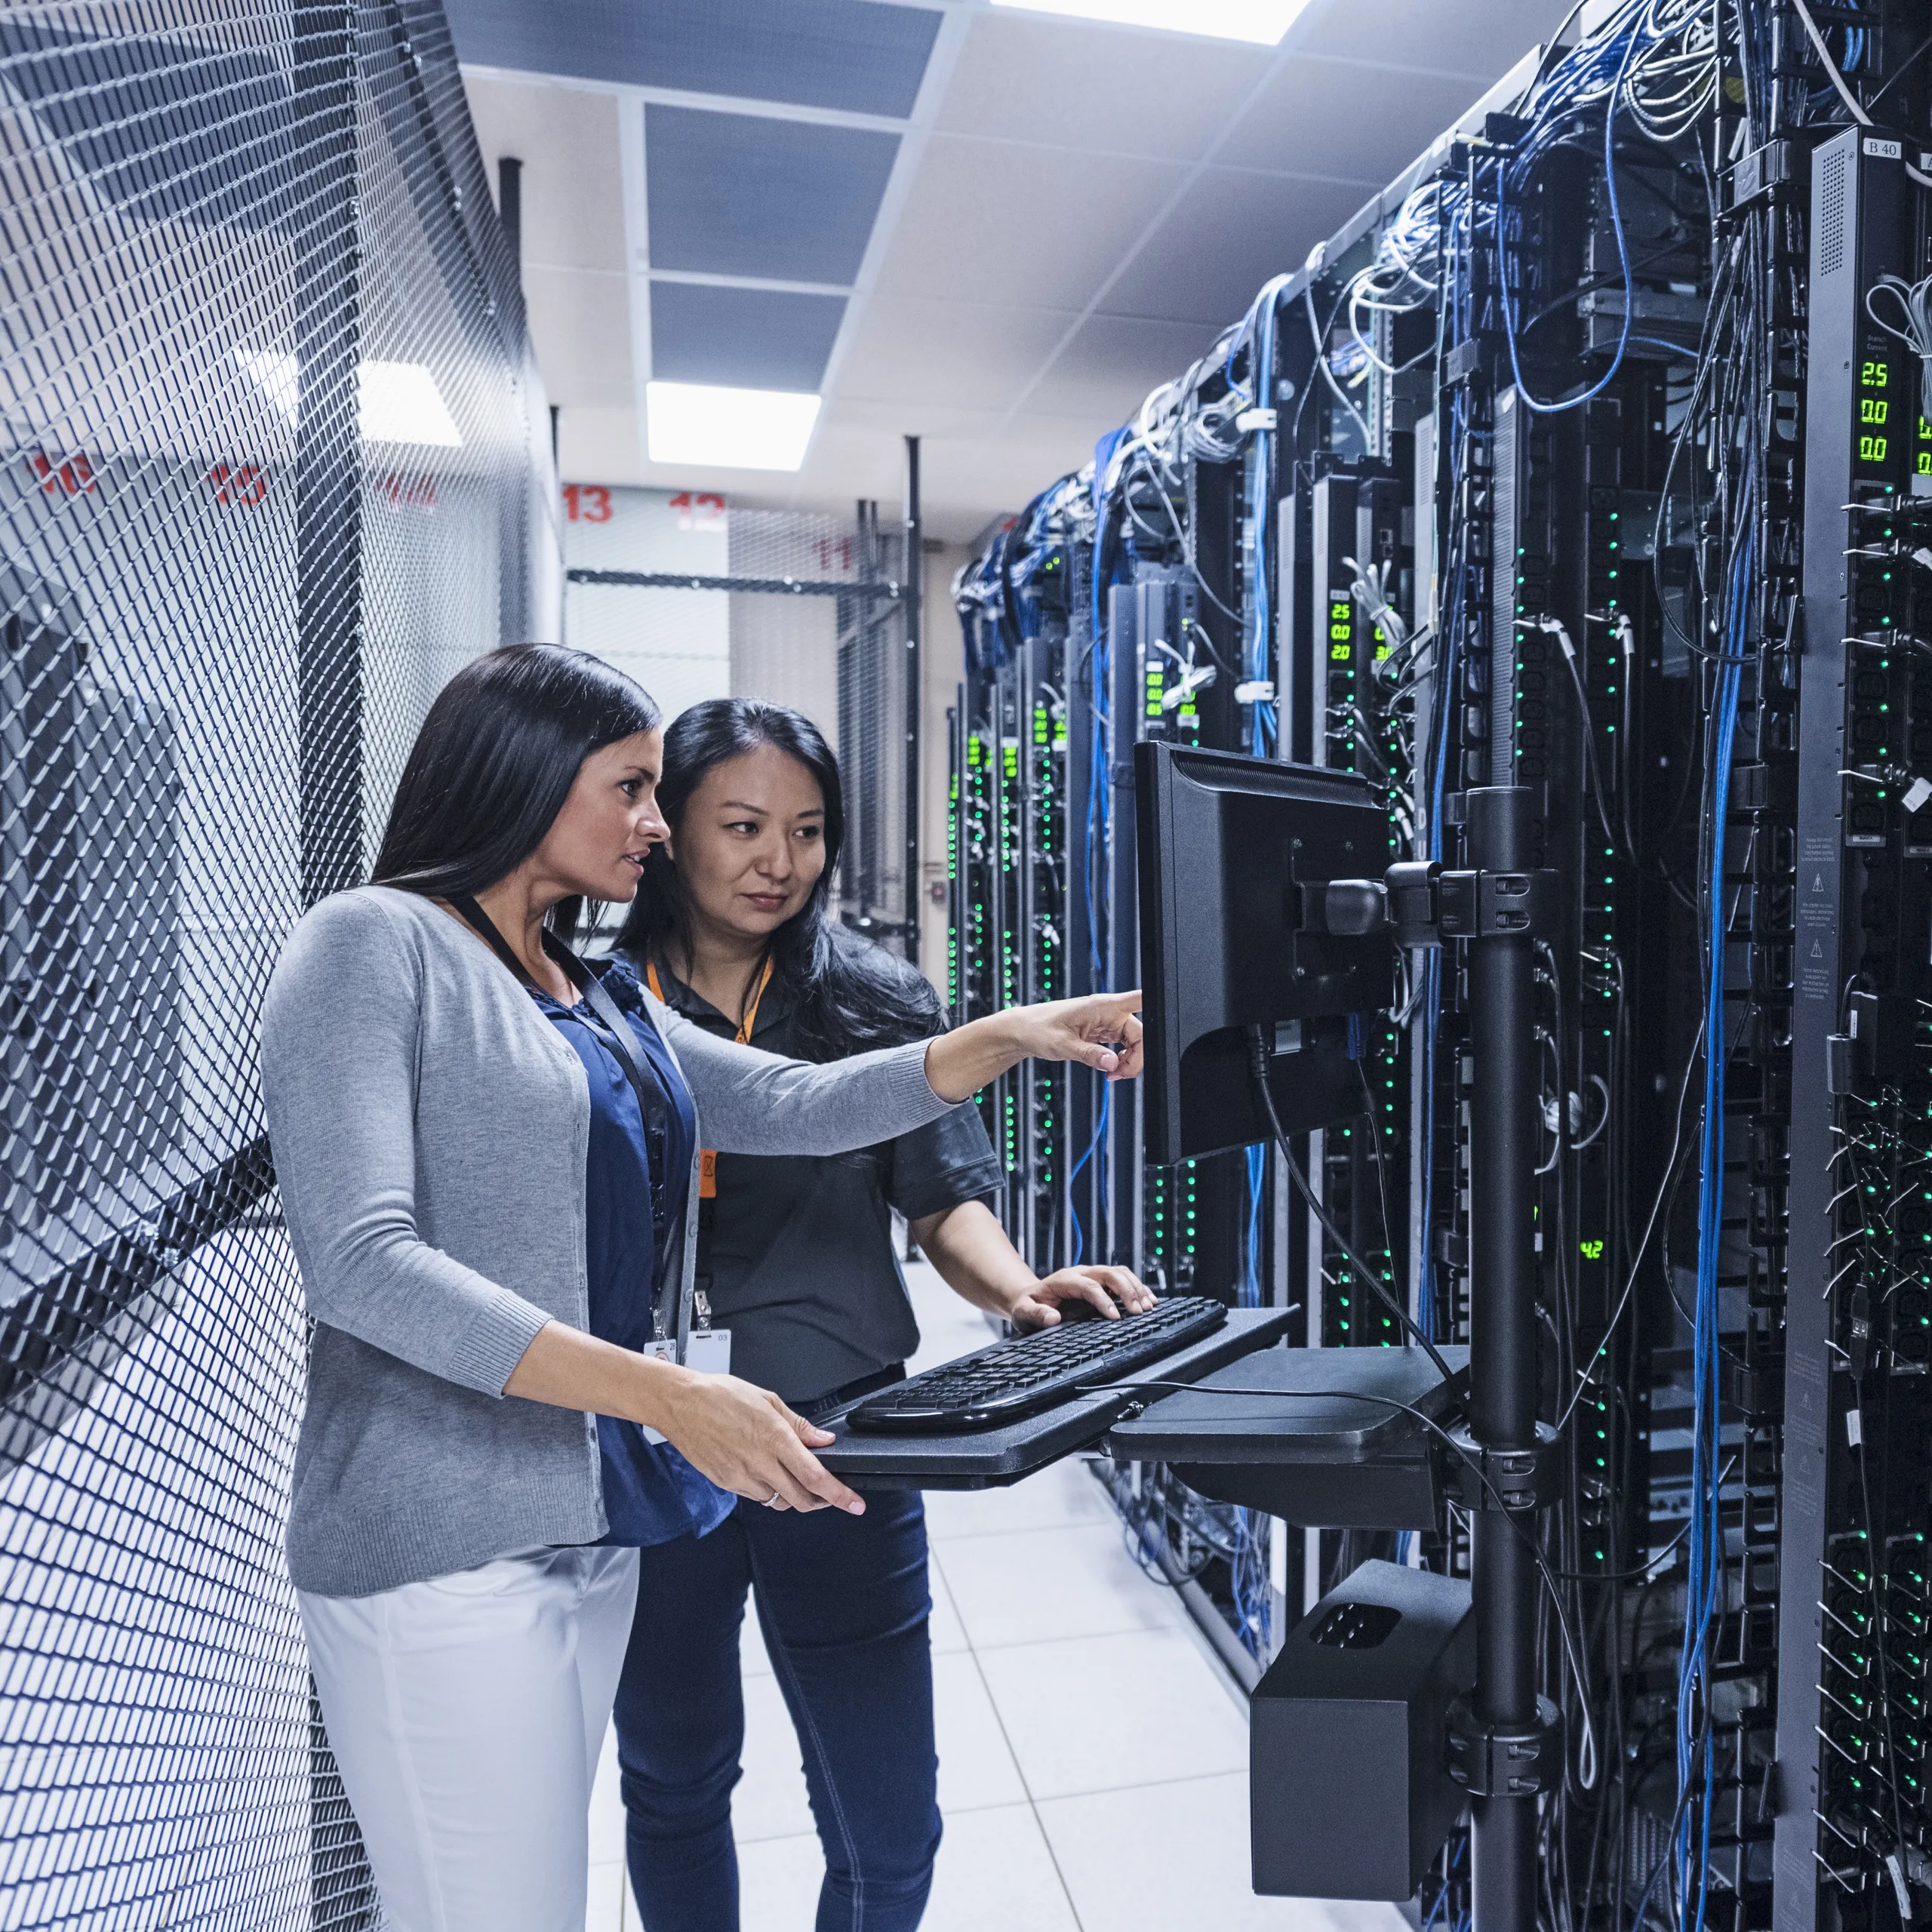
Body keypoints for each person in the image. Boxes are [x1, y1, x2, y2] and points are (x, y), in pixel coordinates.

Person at [259, 645, 1143, 1932]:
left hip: (588, 1520)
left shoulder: (581, 987)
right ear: (525, 778)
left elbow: (796, 1100)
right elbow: (360, 1263)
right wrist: (672, 1396)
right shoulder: (368, 943)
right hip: (443, 1535)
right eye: (632, 789)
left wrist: (1005, 1034)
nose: (655, 826)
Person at [608, 698, 1152, 1932]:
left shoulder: (876, 999)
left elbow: (941, 1197)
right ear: (668, 826)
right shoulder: (594, 1003)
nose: (778, 862)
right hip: (655, 1443)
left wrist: (1019, 1290)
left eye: (806, 831)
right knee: (675, 1782)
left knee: (888, 1823)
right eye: (742, 826)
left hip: (847, 1442)